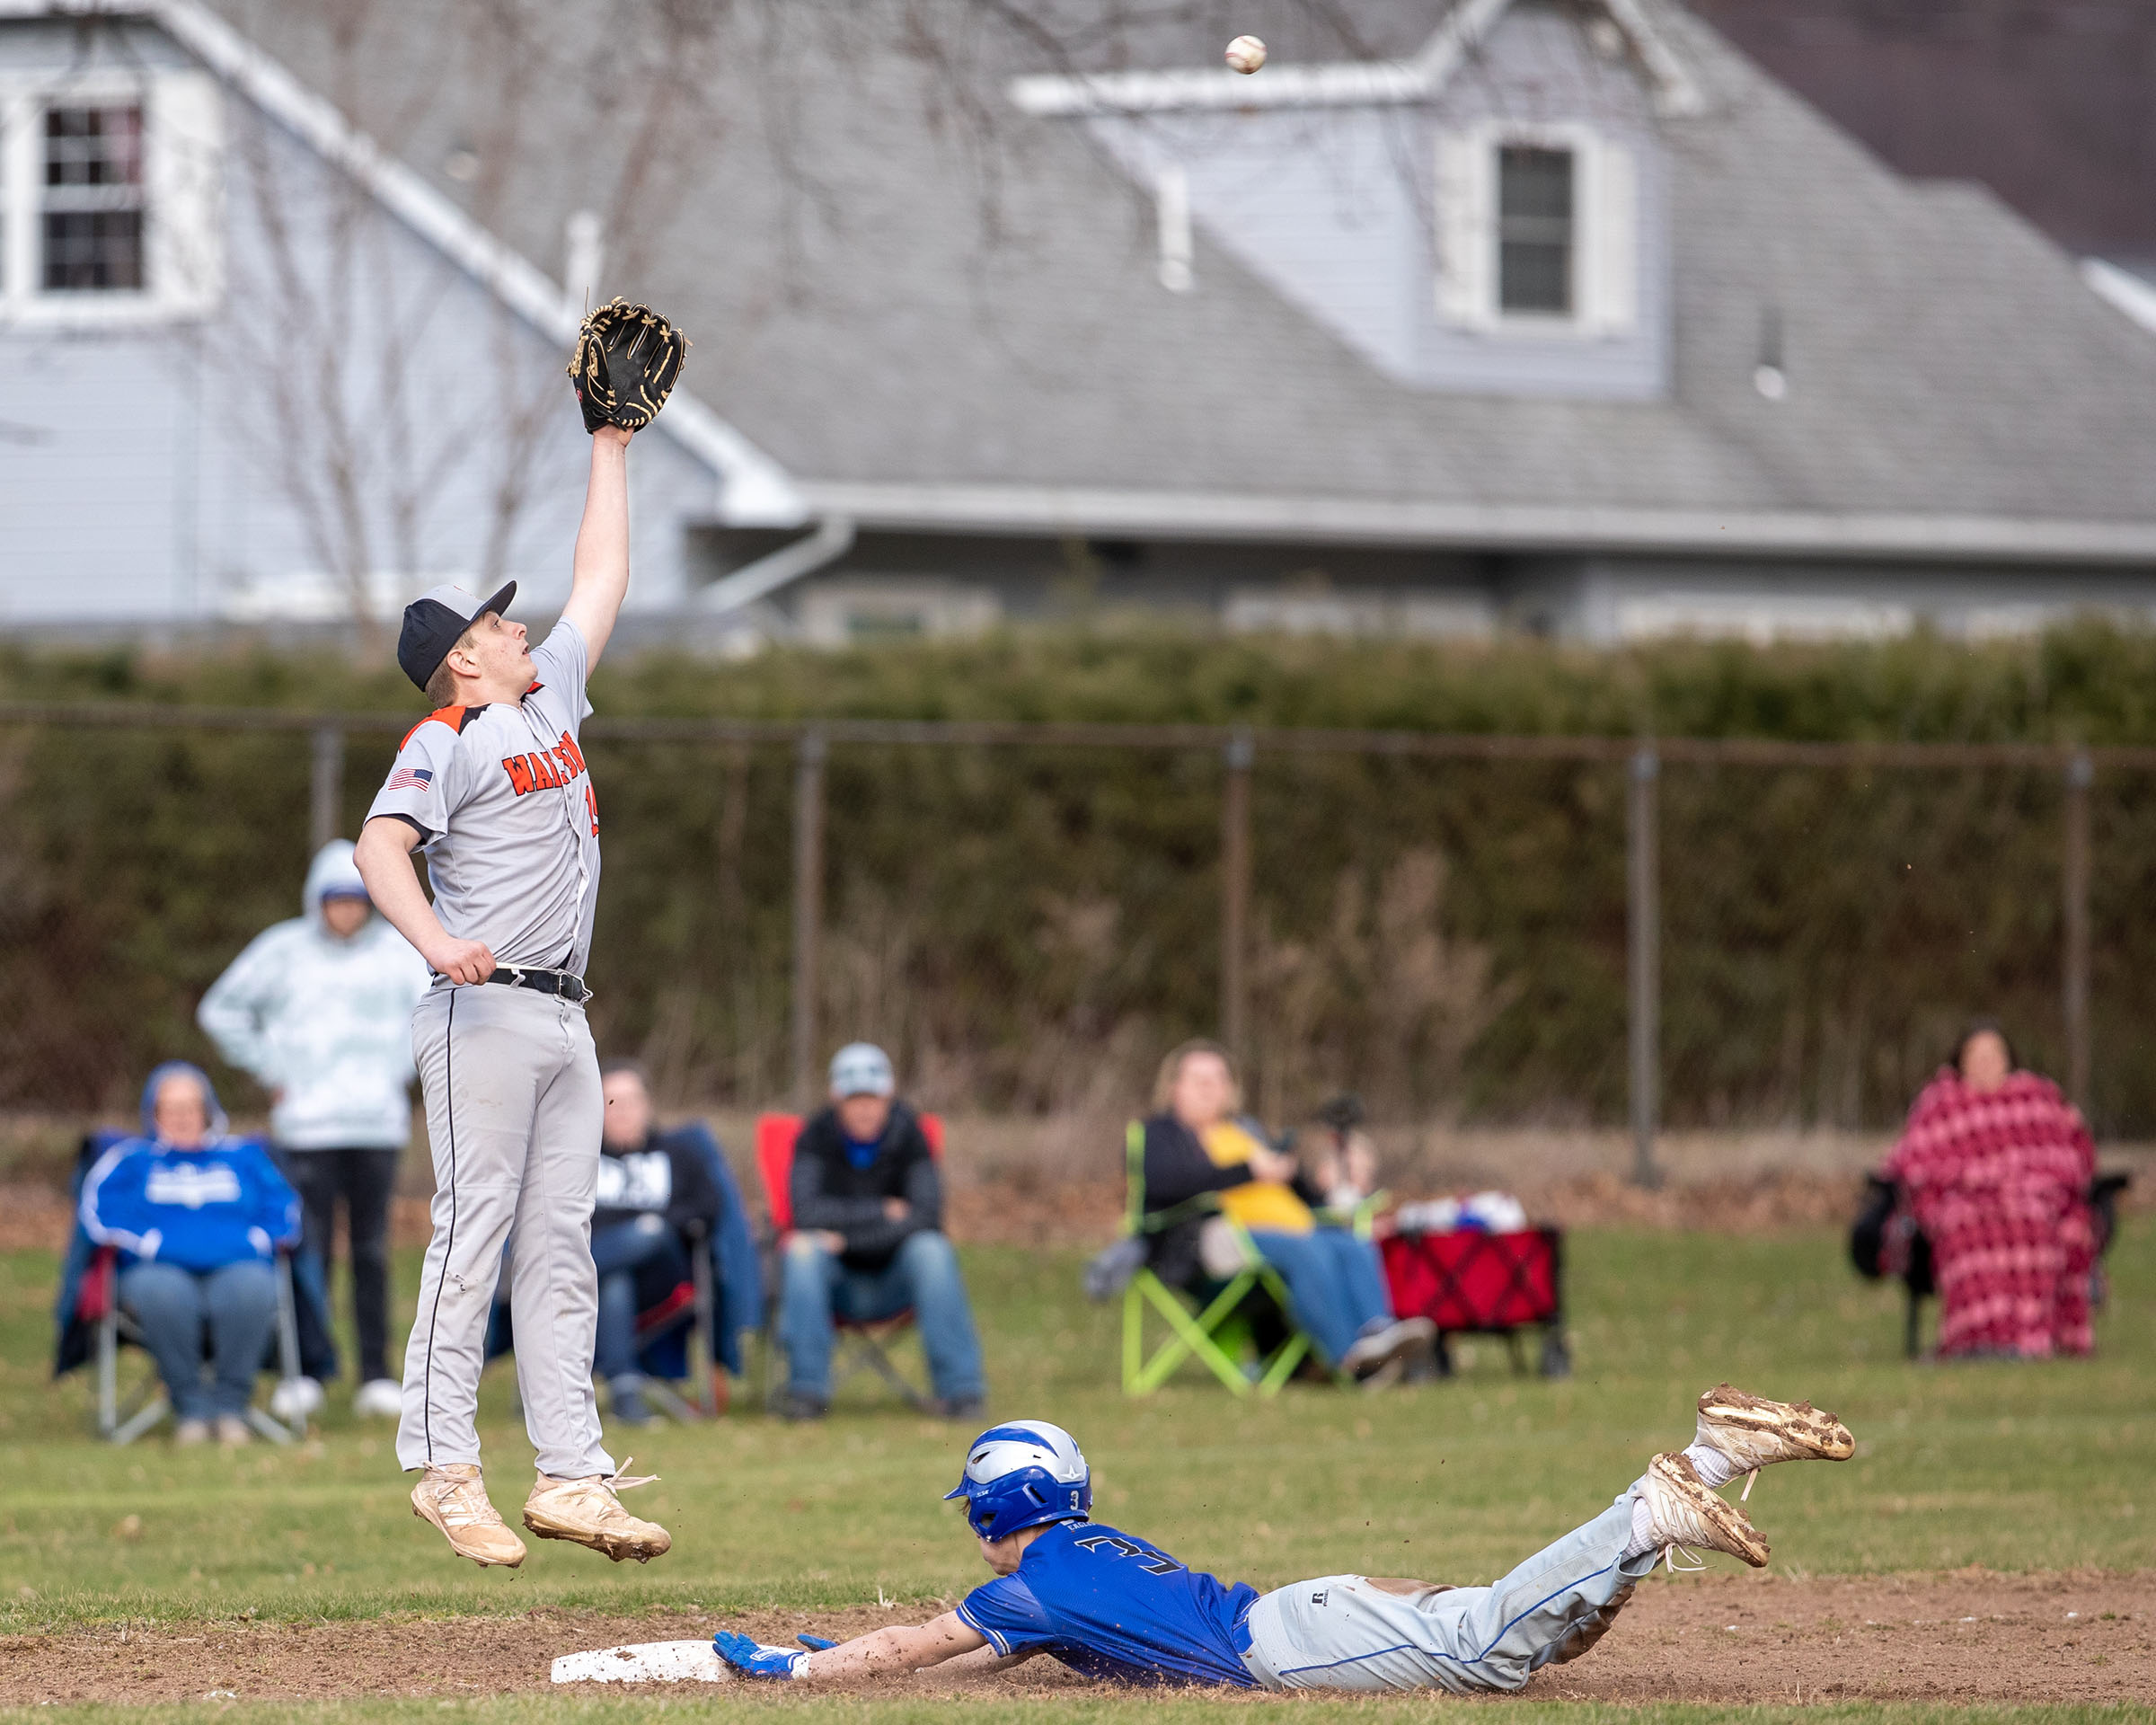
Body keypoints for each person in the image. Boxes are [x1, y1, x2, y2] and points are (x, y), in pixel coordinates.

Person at [351, 421, 667, 1571]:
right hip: (477, 1011)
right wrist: (436, 939)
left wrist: (613, 446)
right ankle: (442, 1468)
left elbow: (604, 575)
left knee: (560, 1247)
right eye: (497, 622)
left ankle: (572, 1476)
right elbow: (379, 848)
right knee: (468, 1237)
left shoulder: (553, 700)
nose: (519, 625)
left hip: (564, 1014)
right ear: (464, 658)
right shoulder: (446, 735)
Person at [715, 1391, 1855, 1691]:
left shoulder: (1036, 1587)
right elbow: (969, 1655)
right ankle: (1704, 1467)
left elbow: (927, 1643)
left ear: (995, 1513)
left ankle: (1664, 1500)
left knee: (1491, 1649)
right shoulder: (1081, 1559)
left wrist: (802, 1669)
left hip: (1289, 1646)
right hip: (1304, 1610)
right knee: (1531, 1649)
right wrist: (854, 1657)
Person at [197, 839, 431, 1421]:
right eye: (336, 900)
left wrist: (401, 1070)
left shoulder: (398, 951)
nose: (348, 911)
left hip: (376, 1126)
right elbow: (220, 1009)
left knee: (373, 1251)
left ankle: (375, 1373)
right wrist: (271, 1068)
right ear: (317, 902)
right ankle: (306, 1369)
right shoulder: (283, 950)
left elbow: (435, 1008)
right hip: (306, 1129)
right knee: (308, 1249)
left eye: (358, 899)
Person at [1140, 1040, 1430, 1381]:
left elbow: (1298, 1192)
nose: (1209, 1088)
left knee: (1348, 1242)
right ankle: (1350, 1359)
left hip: (1278, 1230)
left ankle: (1378, 1333)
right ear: (1174, 1087)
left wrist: (1327, 1198)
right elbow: (1166, 1183)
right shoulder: (1162, 1134)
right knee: (1303, 1247)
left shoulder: (1246, 1130)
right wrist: (1249, 1171)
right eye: (1198, 1079)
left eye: (1218, 1079)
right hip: (1203, 1240)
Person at [77, 1064, 302, 1446]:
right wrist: (149, 1244)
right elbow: (99, 1214)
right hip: (157, 1269)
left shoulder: (243, 1157)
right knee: (164, 1294)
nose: (181, 1117)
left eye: (190, 1107)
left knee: (250, 1289)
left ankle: (231, 1408)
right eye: (170, 1108)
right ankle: (191, 1410)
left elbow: (285, 1210)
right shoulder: (131, 1160)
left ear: (208, 1110)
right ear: (154, 1113)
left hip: (239, 1262)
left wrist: (255, 1241)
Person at [777, 1042, 985, 1421]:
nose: (865, 1107)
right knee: (803, 1250)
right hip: (833, 1281)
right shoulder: (814, 1136)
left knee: (932, 1250)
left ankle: (962, 1391)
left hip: (898, 1279)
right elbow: (806, 1213)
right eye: (855, 1098)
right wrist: (881, 1210)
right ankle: (805, 1392)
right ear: (836, 1097)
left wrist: (847, 1237)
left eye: (872, 1097)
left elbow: (925, 1217)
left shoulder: (911, 1135)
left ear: (888, 1096)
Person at [1882, 1021, 2099, 1358]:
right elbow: (1915, 1162)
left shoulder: (2037, 1098)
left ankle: (2031, 1336)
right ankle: (1976, 1337)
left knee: (2032, 1222)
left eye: (1993, 1055)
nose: (1986, 1063)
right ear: (1960, 1062)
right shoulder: (1941, 1104)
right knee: (1967, 1227)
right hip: (1963, 1202)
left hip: (2031, 1198)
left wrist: (2022, 1181)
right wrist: (1977, 1178)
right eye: (1976, 1056)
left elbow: (2070, 1157)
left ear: (2009, 1059)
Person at [592, 1059, 723, 1426]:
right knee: (615, 1281)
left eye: (630, 1100)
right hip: (603, 1282)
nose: (622, 1112)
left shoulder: (680, 1153)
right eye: (610, 1102)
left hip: (664, 1276)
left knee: (648, 1232)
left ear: (647, 1105)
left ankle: (558, 1277)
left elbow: (708, 1209)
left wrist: (650, 1224)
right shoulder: (579, 1160)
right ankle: (625, 1395)